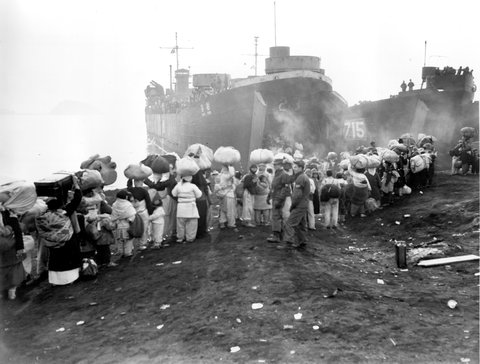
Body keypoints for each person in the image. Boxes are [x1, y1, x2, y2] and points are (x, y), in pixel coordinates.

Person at [35, 176, 83, 286]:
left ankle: (55, 281)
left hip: (51, 241)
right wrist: (76, 185)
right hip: (65, 237)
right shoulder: (65, 211)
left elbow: (42, 231)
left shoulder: (42, 216)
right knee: (69, 254)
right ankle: (70, 279)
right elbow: (77, 198)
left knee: (55, 258)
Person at [283, 160, 310, 248]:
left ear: (301, 168)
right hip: (304, 204)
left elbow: (297, 195)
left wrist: (293, 205)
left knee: (290, 224)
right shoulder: (304, 177)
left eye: (296, 167)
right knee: (301, 224)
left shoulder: (300, 178)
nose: (294, 168)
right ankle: (302, 241)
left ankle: (288, 242)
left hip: (299, 205)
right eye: (294, 167)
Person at [266, 158, 292, 243]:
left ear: (280, 165)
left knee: (277, 216)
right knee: (277, 216)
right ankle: (279, 235)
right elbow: (273, 187)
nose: (274, 166)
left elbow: (285, 188)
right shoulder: (277, 174)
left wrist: (280, 199)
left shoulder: (283, 174)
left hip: (280, 198)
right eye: (274, 164)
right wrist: (269, 196)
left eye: (276, 164)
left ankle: (277, 235)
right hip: (276, 197)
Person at [172, 175, 202, 243]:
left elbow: (173, 194)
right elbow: (199, 195)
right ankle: (190, 238)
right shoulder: (193, 186)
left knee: (180, 225)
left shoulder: (178, 185)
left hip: (181, 208)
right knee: (191, 224)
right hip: (191, 207)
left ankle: (180, 238)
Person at [127, 179, 153, 250]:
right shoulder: (144, 191)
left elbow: (128, 185)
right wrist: (150, 213)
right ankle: (142, 244)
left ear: (134, 182)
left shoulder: (130, 190)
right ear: (141, 182)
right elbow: (148, 203)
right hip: (143, 213)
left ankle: (130, 247)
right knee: (144, 229)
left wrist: (130, 179)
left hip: (132, 213)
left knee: (131, 229)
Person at [111, 190, 136, 258]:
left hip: (118, 225)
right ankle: (127, 253)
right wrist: (130, 220)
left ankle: (121, 252)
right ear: (126, 196)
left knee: (119, 240)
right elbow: (132, 215)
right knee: (128, 240)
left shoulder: (114, 204)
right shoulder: (128, 204)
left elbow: (113, 215)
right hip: (126, 225)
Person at [215, 165, 237, 230]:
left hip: (221, 194)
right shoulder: (226, 175)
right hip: (228, 195)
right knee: (230, 210)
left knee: (223, 209)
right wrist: (230, 165)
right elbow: (232, 174)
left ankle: (222, 223)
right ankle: (231, 223)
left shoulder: (219, 175)